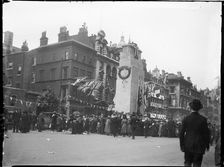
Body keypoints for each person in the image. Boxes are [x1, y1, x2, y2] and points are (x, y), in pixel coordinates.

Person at [179, 99, 210, 167]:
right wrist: (207, 145)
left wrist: (182, 145)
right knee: (197, 164)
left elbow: (181, 134)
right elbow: (206, 134)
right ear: (199, 108)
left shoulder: (186, 118)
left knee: (187, 163)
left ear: (190, 108)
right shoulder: (203, 119)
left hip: (188, 145)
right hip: (199, 146)